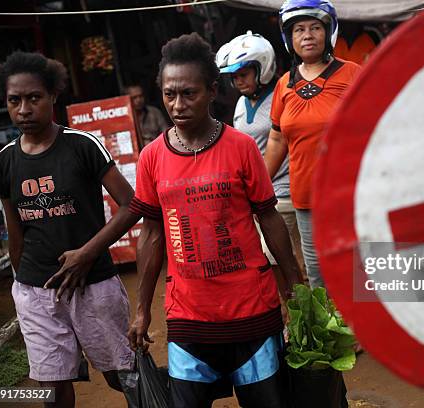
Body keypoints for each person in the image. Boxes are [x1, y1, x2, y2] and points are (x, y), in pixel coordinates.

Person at [127, 32, 302, 408]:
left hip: (252, 312)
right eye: (169, 94)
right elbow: (152, 234)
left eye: (189, 93)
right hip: (188, 317)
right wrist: (141, 309)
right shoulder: (152, 158)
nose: (178, 104)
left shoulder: (241, 147)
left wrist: (293, 282)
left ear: (211, 91)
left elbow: (269, 218)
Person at [0, 51, 140, 408]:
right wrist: (21, 281)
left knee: (122, 377)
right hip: (37, 290)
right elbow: (16, 231)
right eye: (15, 101)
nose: (24, 109)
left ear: (53, 96)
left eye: (33, 98)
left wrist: (87, 254)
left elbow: (131, 205)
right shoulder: (3, 162)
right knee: (52, 388)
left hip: (94, 284)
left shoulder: (82, 146)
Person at [265, 0, 361, 288]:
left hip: (348, 196)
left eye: (315, 28)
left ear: (329, 32)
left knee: (357, 266)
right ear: (289, 39)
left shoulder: (352, 74)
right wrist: (255, 186)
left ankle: (366, 330)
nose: (307, 35)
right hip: (305, 198)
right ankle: (330, 333)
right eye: (299, 30)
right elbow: (277, 139)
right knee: (318, 272)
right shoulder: (284, 84)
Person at [216, 31, 304, 282]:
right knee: (276, 261)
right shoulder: (242, 104)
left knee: (289, 261)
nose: (238, 82)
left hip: (284, 193)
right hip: (258, 197)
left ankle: (306, 316)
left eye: (243, 74)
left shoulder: (284, 93)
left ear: (262, 68)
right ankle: (295, 316)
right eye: (234, 77)